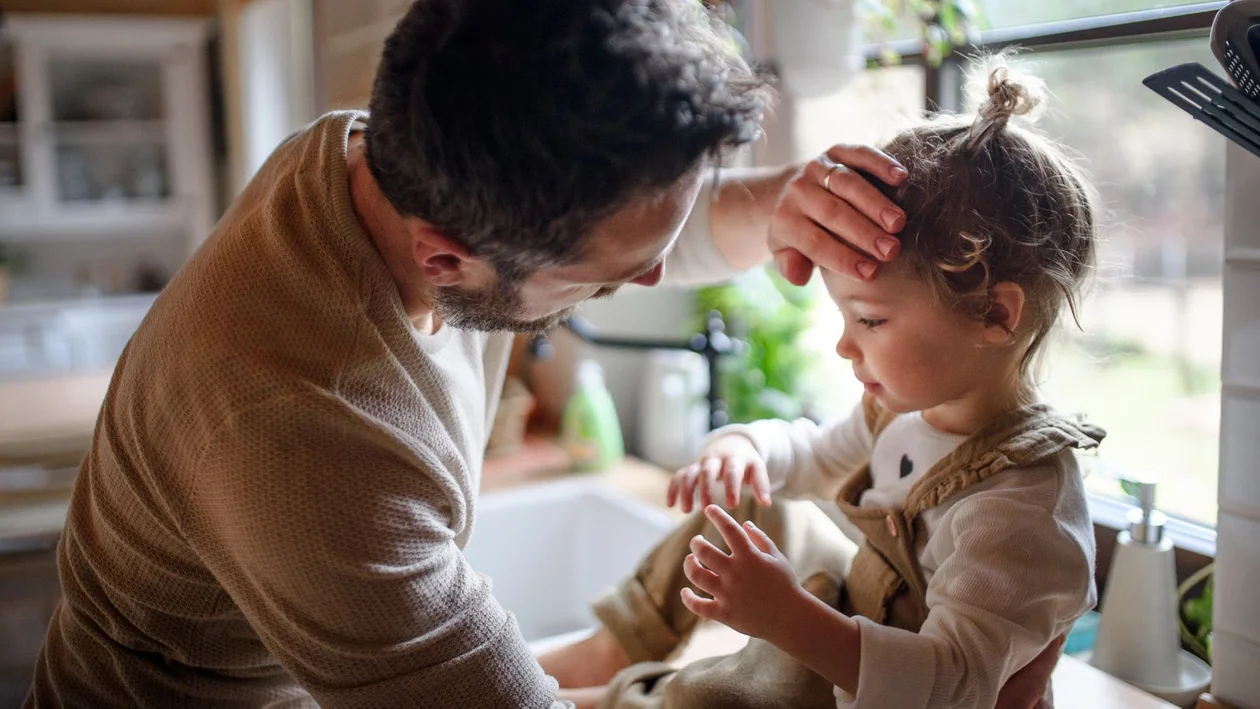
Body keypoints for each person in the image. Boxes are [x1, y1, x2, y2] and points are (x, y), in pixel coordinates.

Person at [23, 2, 922, 707]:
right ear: (446, 256)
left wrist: (787, 202)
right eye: (601, 283)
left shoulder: (388, 149)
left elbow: (626, 227)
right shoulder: (310, 430)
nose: (650, 281)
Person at [540, 61, 1102, 709]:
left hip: (881, 690)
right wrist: (748, 447)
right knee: (752, 505)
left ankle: (610, 699)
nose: (843, 344)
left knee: (717, 698)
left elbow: (951, 684)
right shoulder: (909, 411)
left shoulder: (1021, 512)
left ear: (995, 314)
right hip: (859, 616)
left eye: (869, 319)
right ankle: (610, 648)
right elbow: (813, 455)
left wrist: (785, 617)